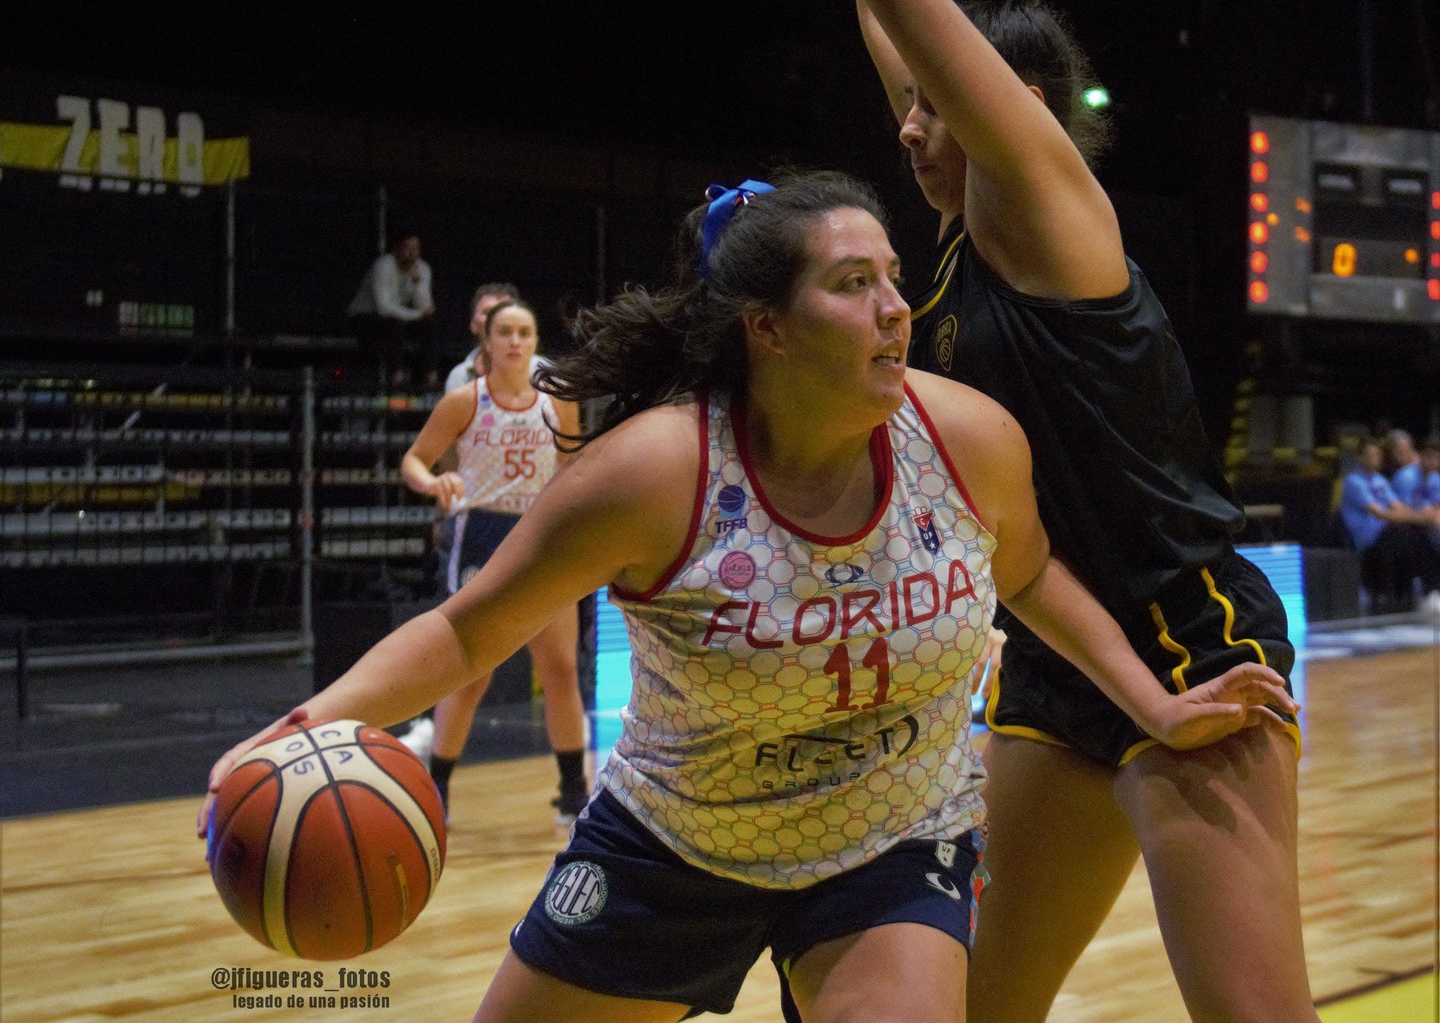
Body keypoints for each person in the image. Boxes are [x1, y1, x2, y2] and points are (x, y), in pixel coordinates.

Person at [202, 171, 1294, 1023]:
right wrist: (298, 732)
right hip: (676, 846)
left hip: (889, 844)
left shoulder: (967, 441)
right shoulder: (654, 476)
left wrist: (1152, 705)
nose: (894, 308)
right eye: (851, 285)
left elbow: (1030, 575)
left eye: (894, 277)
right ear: (767, 326)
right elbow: (461, 630)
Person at [752, 0, 1314, 1022]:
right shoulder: (955, 244)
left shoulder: (1049, 205)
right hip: (1066, 664)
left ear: (1018, 122)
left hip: (1193, 642)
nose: (908, 122)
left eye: (937, 105)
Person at [399, 296, 588, 823]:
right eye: (505, 332)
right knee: (470, 673)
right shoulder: (465, 400)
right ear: (488, 341)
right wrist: (434, 481)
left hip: (540, 534)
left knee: (559, 669)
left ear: (536, 342)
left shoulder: (558, 401)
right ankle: (438, 787)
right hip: (481, 529)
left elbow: (574, 466)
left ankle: (574, 791)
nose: (515, 342)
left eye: (525, 333)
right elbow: (414, 458)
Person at [1337, 439, 1440, 612]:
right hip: (1368, 537)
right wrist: (1419, 517)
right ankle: (1429, 590)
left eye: (1377, 454)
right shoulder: (1354, 481)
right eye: (1370, 455)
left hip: (1388, 531)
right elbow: (1378, 513)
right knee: (1415, 537)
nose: (1374, 458)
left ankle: (1427, 592)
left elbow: (1399, 507)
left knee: (1419, 537)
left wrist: (1411, 517)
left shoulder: (1381, 481)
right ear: (1360, 458)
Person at [347, 228, 439, 387]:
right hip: (366, 317)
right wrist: (418, 314)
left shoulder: (422, 268)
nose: (412, 253)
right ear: (396, 249)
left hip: (402, 317)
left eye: (416, 248)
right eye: (407, 248)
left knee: (429, 327)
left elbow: (426, 308)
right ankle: (397, 377)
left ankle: (431, 377)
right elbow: (384, 308)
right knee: (392, 324)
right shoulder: (384, 266)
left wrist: (417, 283)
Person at [445, 282, 522, 393]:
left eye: (502, 311)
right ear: (473, 325)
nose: (494, 319)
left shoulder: (539, 372)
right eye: (487, 312)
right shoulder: (459, 377)